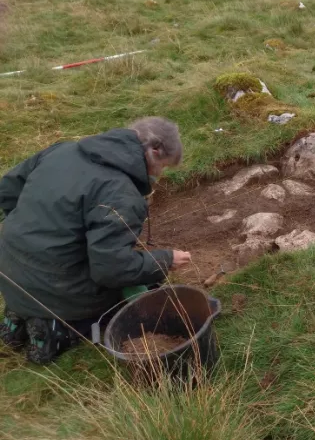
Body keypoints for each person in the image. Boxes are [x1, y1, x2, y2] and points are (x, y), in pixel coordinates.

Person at [0, 117, 192, 364]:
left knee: (48, 275)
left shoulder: (62, 150)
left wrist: (34, 234)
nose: (160, 175)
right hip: (57, 287)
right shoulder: (120, 192)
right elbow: (112, 271)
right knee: (126, 295)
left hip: (7, 266)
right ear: (154, 152)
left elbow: (6, 192)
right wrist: (165, 260)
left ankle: (17, 317)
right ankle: (56, 333)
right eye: (163, 167)